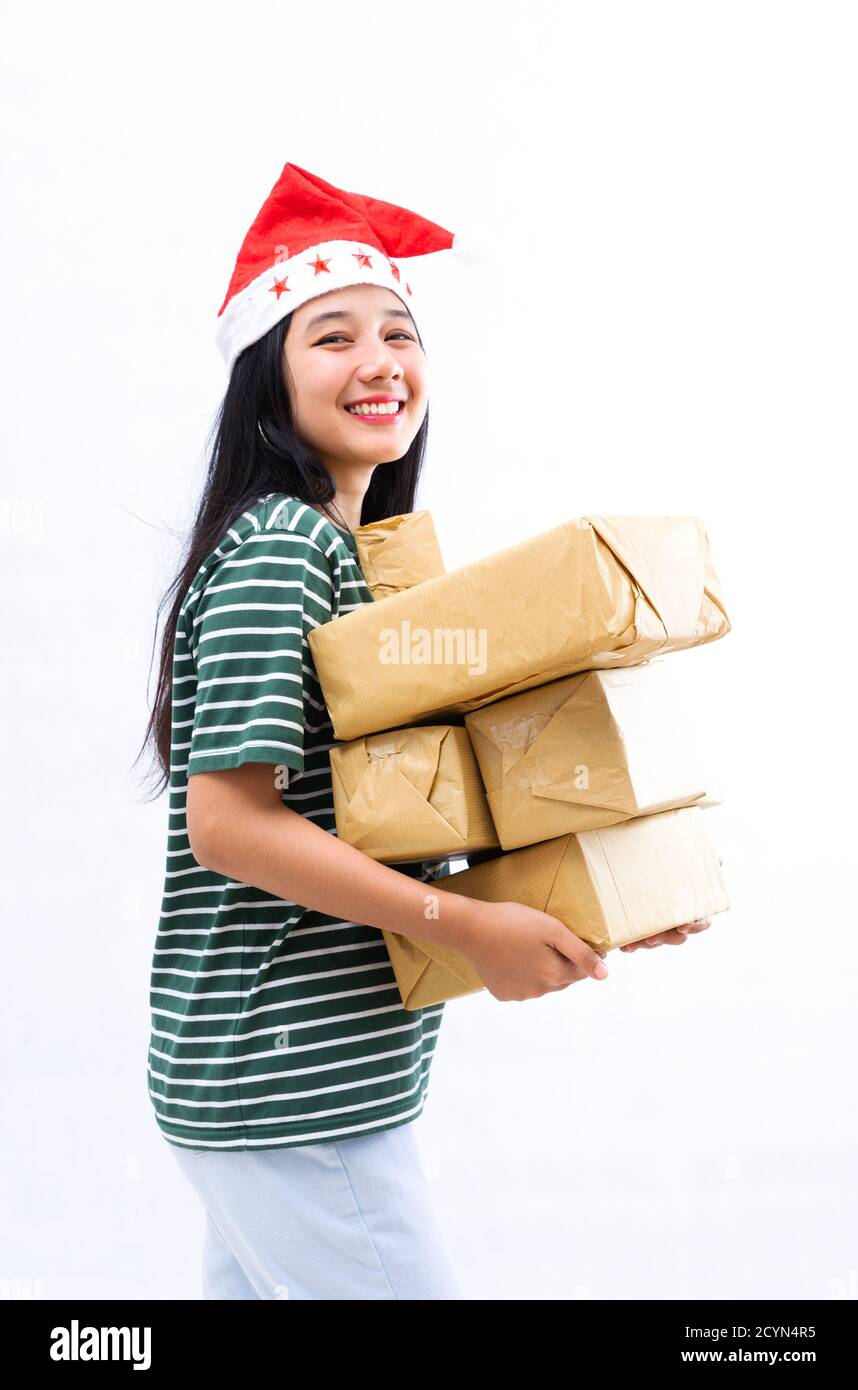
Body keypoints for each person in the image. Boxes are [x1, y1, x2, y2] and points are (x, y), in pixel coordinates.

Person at [135, 161, 712, 1301]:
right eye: (331, 337)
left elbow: (389, 816)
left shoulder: (352, 562)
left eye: (398, 332)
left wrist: (563, 907)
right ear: (266, 380)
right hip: (290, 1093)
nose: (379, 362)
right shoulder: (281, 552)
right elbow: (233, 829)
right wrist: (472, 929)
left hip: (286, 1086)